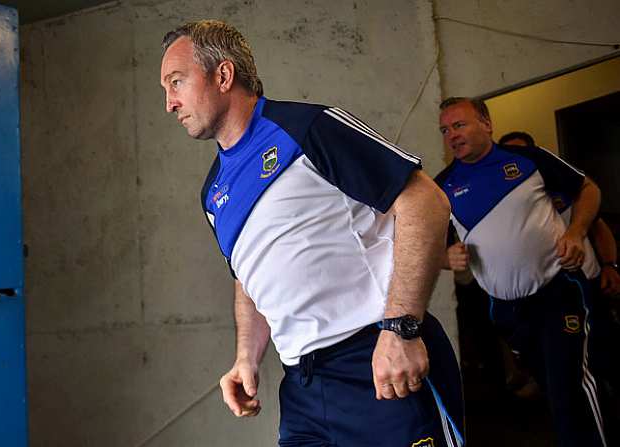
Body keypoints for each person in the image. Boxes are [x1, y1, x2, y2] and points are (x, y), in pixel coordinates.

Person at [160, 20, 464, 447]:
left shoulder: (307, 127)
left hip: (378, 363)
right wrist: (246, 358)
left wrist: (401, 329)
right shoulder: (213, 194)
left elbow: (425, 202)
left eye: (176, 82)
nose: (170, 103)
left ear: (223, 76)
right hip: (303, 389)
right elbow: (249, 277)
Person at [436, 97, 607, 446]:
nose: (451, 135)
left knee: (568, 385)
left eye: (459, 125)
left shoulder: (529, 160)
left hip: (557, 292)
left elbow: (588, 189)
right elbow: (425, 248)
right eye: (445, 129)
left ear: (486, 124)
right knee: (549, 384)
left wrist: (575, 232)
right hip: (505, 309)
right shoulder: (442, 186)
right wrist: (444, 258)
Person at [498, 131, 620, 297]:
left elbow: (598, 226)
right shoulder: (503, 203)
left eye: (524, 152)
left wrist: (609, 265)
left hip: (589, 279)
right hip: (544, 292)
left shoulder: (567, 185)